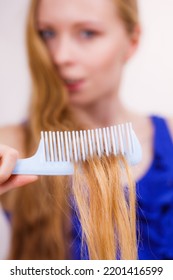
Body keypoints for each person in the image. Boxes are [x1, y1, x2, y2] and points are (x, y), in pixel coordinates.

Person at [0, 0, 173, 260]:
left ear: (132, 40)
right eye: (47, 33)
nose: (60, 57)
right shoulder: (10, 146)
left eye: (87, 33)